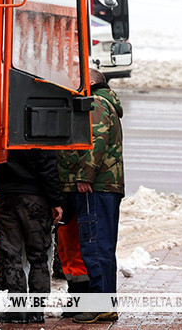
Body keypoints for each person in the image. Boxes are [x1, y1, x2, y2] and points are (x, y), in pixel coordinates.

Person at [58, 68, 124, 324]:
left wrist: (84, 175)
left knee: (94, 245)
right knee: (101, 247)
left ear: (91, 82)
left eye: (77, 77)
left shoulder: (95, 102)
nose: (72, 81)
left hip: (95, 186)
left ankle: (101, 306)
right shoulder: (107, 102)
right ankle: (105, 304)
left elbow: (95, 140)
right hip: (104, 185)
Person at [0, 149, 63, 324]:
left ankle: (17, 310)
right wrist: (55, 200)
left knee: (12, 255)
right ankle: (37, 310)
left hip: (4, 196)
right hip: (35, 198)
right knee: (39, 256)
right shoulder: (39, 126)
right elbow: (48, 166)